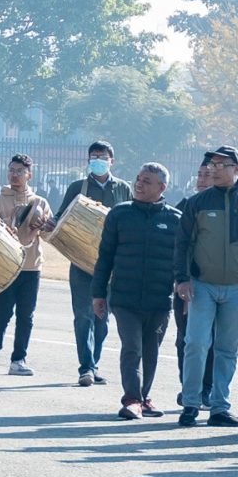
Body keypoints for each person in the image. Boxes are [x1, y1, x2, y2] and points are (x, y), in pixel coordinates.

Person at [172, 146, 238, 426]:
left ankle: (220, 407)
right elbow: (183, 243)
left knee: (227, 349)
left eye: (222, 164)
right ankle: (190, 404)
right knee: (196, 344)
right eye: (212, 164)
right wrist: (182, 278)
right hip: (202, 285)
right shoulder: (197, 203)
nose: (215, 169)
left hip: (236, 286)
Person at [92, 163, 182, 419]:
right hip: (124, 298)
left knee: (151, 350)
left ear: (162, 188)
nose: (139, 184)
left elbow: (182, 262)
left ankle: (145, 398)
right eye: (138, 179)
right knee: (132, 347)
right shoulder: (119, 214)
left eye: (147, 181)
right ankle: (131, 398)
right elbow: (105, 257)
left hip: (160, 300)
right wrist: (98, 293)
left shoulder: (175, 219)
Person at [56, 142, 131, 386]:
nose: (97, 160)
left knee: (102, 317)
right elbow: (60, 218)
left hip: (111, 266)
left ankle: (94, 363)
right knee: (83, 316)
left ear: (112, 160)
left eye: (102, 156)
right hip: (81, 263)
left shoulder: (123, 189)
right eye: (93, 156)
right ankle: (85, 367)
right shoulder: (78, 187)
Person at [0, 154, 53, 377]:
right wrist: (10, 221)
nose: (14, 175)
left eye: (19, 171)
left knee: (26, 316)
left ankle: (18, 359)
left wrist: (42, 225)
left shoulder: (40, 202)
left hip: (31, 266)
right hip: (6, 265)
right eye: (11, 170)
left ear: (29, 175)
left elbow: (48, 233)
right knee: (3, 311)